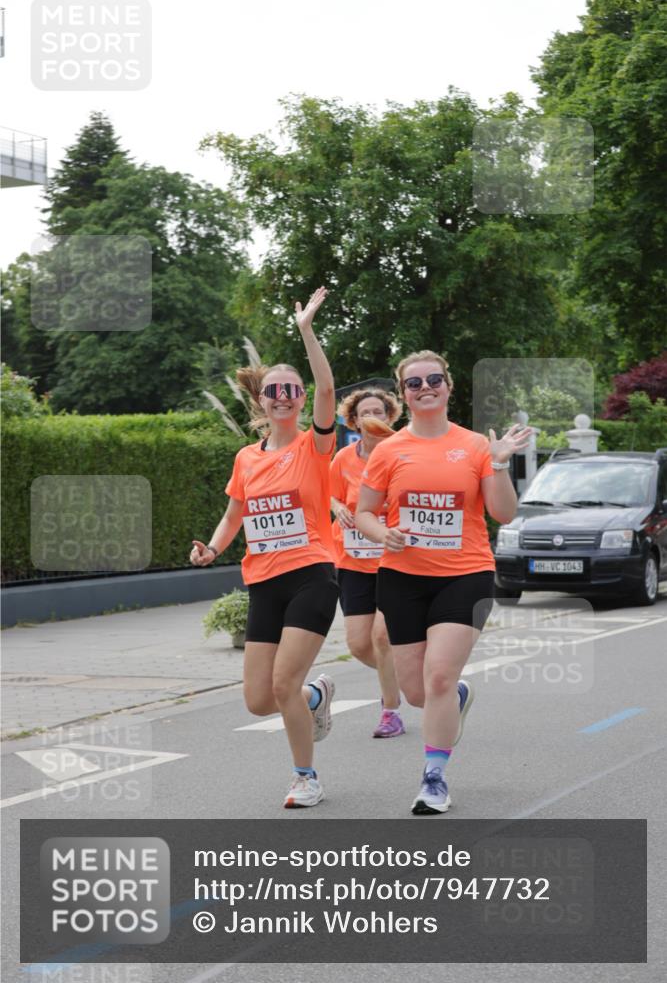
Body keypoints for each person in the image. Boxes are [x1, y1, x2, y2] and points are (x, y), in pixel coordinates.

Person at [355, 350, 531, 815]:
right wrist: (381, 533)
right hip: (402, 579)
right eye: (414, 383)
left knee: (437, 677)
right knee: (418, 693)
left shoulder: (475, 446)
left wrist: (497, 464)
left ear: (449, 387)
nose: (425, 387)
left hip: (465, 576)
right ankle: (454, 698)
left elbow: (503, 514)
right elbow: (364, 512)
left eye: (434, 379)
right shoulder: (389, 450)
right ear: (404, 394)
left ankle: (433, 780)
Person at [190, 287, 339, 810]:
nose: (282, 396)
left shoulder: (314, 446)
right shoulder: (246, 459)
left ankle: (306, 777)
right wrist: (212, 548)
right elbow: (235, 513)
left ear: (299, 399)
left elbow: (327, 387)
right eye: (273, 390)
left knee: (282, 684)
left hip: (312, 576)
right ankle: (316, 697)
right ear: (261, 399)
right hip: (263, 582)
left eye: (290, 389)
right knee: (258, 701)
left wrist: (306, 330)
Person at [330, 388, 405, 737]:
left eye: (379, 411)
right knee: (359, 644)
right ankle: (407, 678)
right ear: (355, 421)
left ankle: (391, 710)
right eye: (365, 413)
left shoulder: (403, 455)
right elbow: (327, 494)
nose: (372, 417)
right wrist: (339, 508)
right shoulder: (343, 458)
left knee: (382, 636)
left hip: (393, 561)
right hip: (352, 561)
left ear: (389, 417)